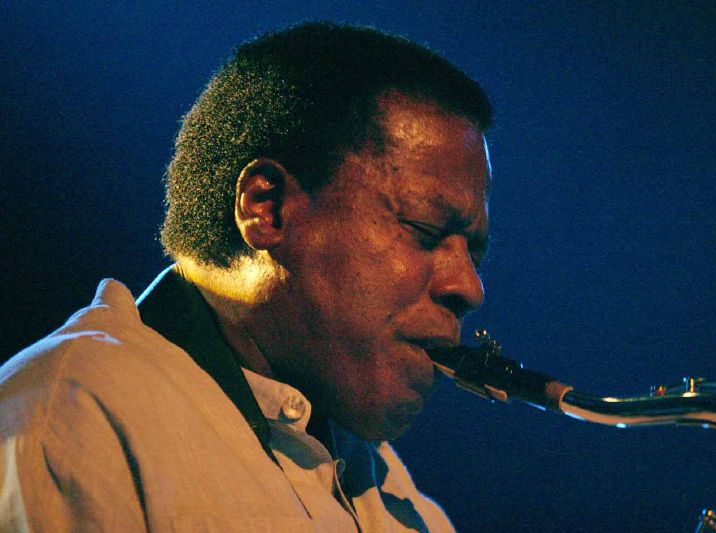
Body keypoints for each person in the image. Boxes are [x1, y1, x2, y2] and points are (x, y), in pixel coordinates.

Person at [0, 22, 492, 532]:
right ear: (267, 208)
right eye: (425, 229)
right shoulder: (74, 419)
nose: (469, 287)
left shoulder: (403, 502)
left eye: (474, 253)